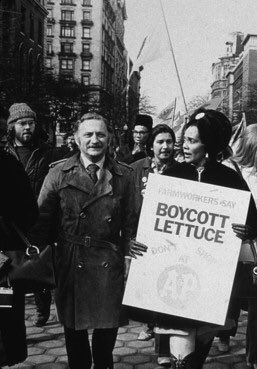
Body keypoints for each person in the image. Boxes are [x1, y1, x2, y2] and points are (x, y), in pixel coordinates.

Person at [34, 112, 143, 369]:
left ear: (110, 138)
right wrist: (41, 261)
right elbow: (42, 221)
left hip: (110, 262)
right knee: (75, 338)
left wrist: (129, 257)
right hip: (71, 261)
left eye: (100, 134)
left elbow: (131, 222)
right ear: (76, 139)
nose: (95, 140)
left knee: (106, 339)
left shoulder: (124, 176)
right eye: (88, 134)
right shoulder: (59, 173)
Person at [161, 108, 257, 369]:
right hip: (177, 275)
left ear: (209, 145)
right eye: (184, 140)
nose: (184, 146)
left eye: (192, 141)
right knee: (180, 346)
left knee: (200, 342)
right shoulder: (171, 175)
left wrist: (246, 230)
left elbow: (253, 221)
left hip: (213, 279)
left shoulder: (230, 179)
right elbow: (150, 221)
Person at [3, 102, 62, 327]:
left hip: (39, 216)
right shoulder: (6, 153)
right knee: (9, 269)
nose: (27, 127)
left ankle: (42, 307)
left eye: (31, 123)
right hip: (11, 224)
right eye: (22, 123)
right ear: (12, 127)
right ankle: (9, 314)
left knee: (37, 264)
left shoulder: (48, 152)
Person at [222, 123, 257, 369]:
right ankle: (222, 334)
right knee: (227, 301)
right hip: (228, 249)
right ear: (254, 141)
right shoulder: (227, 169)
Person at [130, 124, 176, 367]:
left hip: (171, 243)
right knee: (147, 293)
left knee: (165, 293)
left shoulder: (182, 171)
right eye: (160, 142)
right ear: (151, 145)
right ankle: (149, 326)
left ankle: (164, 348)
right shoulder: (136, 170)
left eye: (169, 141)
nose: (165, 146)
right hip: (143, 240)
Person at [0, 150, 38, 367]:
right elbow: (29, 212)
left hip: (4, 265)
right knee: (4, 316)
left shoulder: (7, 164)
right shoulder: (8, 163)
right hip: (5, 265)